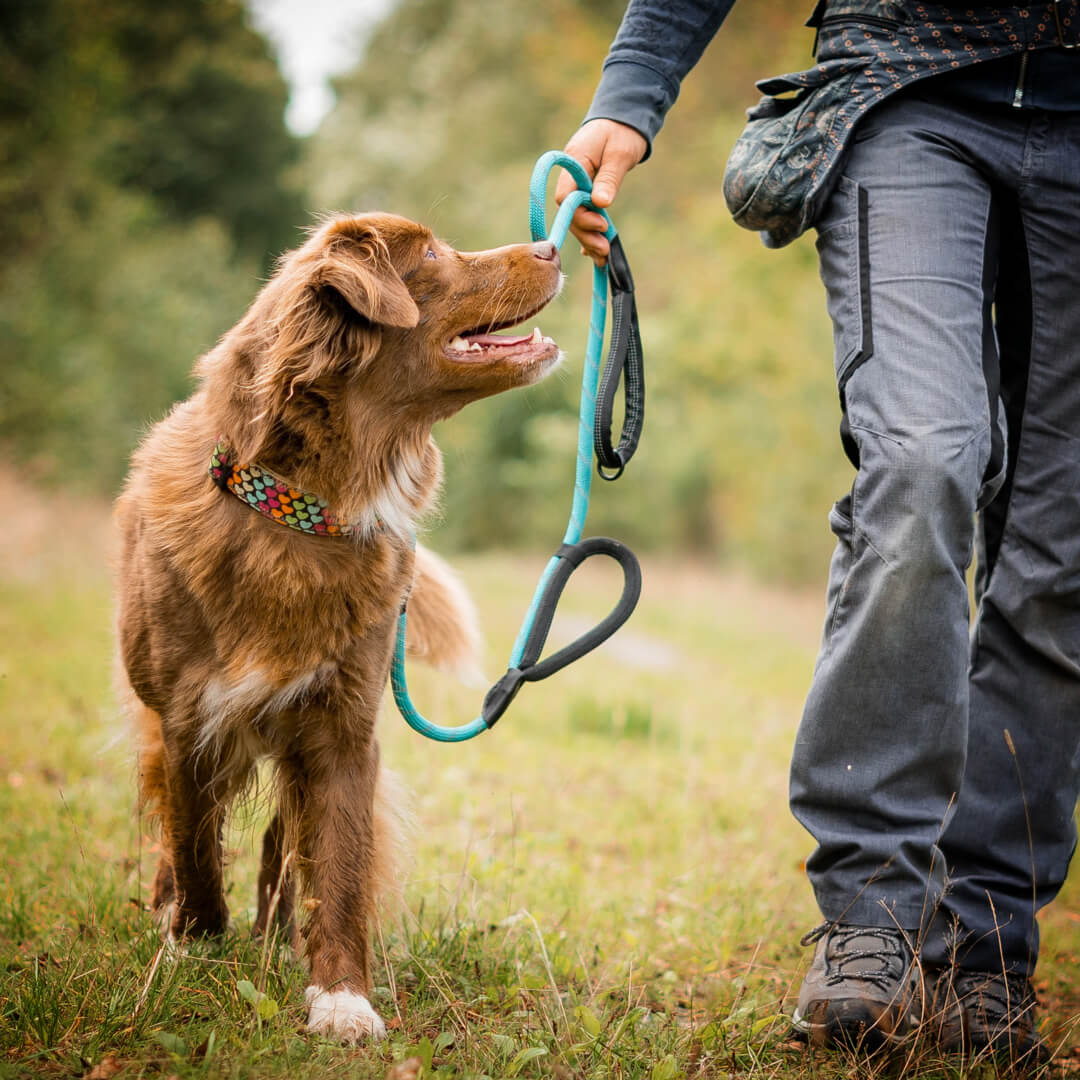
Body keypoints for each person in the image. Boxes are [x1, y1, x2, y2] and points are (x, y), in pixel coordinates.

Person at [558, 0, 1080, 1062]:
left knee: (1062, 542)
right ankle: (874, 921)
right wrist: (629, 97)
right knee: (923, 458)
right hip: (908, 89)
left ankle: (984, 953)